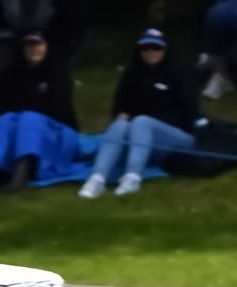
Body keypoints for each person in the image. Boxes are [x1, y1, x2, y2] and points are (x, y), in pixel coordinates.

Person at [0, 29, 80, 194]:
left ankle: (22, 171)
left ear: (46, 47)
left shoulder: (58, 73)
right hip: (21, 127)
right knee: (6, 119)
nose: (33, 49)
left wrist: (26, 113)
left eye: (38, 44)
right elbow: (2, 105)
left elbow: (59, 108)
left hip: (57, 130)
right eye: (29, 45)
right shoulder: (12, 73)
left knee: (29, 118)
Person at [81, 28, 200, 199]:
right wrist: (122, 113)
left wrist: (151, 122)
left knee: (142, 122)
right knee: (121, 124)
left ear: (165, 49)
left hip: (176, 138)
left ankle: (133, 176)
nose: (150, 52)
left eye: (156, 48)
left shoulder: (181, 72)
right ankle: (97, 177)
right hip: (139, 136)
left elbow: (189, 112)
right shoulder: (132, 73)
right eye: (145, 48)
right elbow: (120, 105)